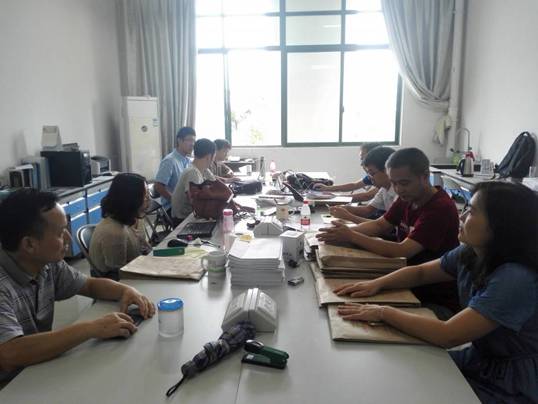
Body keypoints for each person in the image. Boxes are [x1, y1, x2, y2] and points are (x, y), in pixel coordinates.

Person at [334, 182, 538, 403]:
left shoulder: (515, 278)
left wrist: (383, 312)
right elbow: (421, 272)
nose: (462, 216)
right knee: (404, 372)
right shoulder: (471, 252)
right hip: (482, 357)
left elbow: (448, 334)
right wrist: (377, 284)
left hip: (513, 380)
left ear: (501, 224)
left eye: (472, 211)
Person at [0, 189, 155, 383]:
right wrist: (91, 328)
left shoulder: (47, 264)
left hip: (34, 369)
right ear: (29, 245)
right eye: (60, 233)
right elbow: (10, 353)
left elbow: (89, 285)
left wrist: (126, 290)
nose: (68, 238)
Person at [317, 148, 459, 314]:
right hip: (405, 276)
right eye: (394, 183)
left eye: (404, 183)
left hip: (430, 294)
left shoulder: (439, 208)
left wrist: (352, 235)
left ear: (425, 176)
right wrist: (341, 233)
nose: (398, 189)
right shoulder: (407, 197)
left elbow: (403, 250)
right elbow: (380, 225)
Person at [89, 173, 152, 280]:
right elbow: (120, 273)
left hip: (134, 269)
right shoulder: (114, 232)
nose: (148, 199)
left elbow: (143, 249)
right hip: (116, 281)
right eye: (145, 196)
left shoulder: (132, 219)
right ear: (131, 199)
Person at [329, 146, 397, 224]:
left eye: (372, 173)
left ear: (387, 171)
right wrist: (345, 208)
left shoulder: (399, 195)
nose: (370, 177)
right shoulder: (384, 189)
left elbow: (382, 226)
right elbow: (367, 210)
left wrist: (348, 216)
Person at [314, 142, 381, 202]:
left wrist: (335, 198)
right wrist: (327, 188)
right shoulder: (373, 175)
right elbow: (354, 185)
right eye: (361, 159)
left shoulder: (382, 176)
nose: (361, 164)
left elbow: (366, 196)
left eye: (364, 159)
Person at [171, 138, 219, 220]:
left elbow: (216, 184)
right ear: (209, 157)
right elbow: (195, 203)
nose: (214, 159)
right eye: (214, 156)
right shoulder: (192, 172)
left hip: (193, 213)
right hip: (183, 219)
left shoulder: (204, 169)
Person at [154, 126, 196, 215]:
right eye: (189, 140)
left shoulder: (188, 161)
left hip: (185, 205)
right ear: (179, 140)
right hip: (171, 208)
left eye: (194, 141)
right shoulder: (170, 161)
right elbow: (158, 186)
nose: (192, 144)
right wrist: (175, 201)